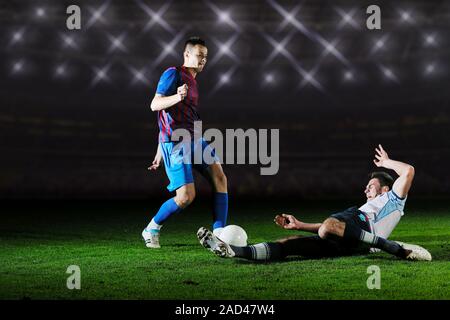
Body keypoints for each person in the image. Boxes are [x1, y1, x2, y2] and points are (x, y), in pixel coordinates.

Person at [198, 145, 431, 261]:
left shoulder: (393, 200)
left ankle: (392, 247)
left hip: (359, 231)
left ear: (385, 189)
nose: (365, 189)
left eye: (370, 186)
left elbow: (409, 171)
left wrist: (388, 162)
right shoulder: (363, 209)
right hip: (352, 241)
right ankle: (234, 251)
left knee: (330, 226)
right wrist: (300, 224)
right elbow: (333, 228)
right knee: (291, 243)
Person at [142, 37, 228, 248]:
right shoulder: (173, 73)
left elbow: (172, 117)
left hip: (195, 139)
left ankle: (219, 234)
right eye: (199, 55)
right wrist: (177, 98)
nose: (203, 60)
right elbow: (155, 105)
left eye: (206, 57)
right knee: (186, 197)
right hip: (177, 143)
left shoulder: (193, 80)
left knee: (220, 177)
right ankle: (151, 228)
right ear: (187, 55)